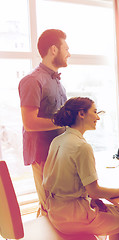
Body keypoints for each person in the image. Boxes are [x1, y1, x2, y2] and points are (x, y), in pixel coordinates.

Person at [43, 97, 119, 240]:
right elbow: (95, 191)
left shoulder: (58, 140)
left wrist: (89, 199)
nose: (98, 117)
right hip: (72, 216)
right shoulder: (81, 146)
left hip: (56, 210)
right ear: (81, 114)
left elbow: (66, 184)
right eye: (95, 112)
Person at [18, 29, 70, 214]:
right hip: (43, 156)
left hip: (59, 154)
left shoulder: (58, 82)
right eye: (66, 48)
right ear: (54, 50)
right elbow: (30, 123)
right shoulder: (32, 81)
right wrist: (65, 121)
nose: (69, 54)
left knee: (60, 208)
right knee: (50, 208)